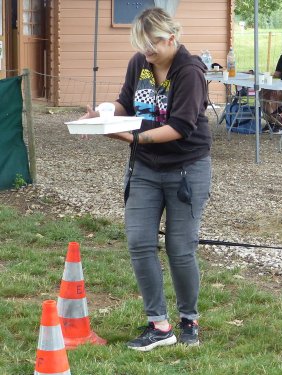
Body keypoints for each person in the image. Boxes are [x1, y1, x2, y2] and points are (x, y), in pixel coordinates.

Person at [81, 7, 211, 350]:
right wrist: (103, 115)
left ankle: (189, 319)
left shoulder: (190, 71)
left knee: (180, 249)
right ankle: (159, 325)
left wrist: (134, 138)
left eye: (153, 42)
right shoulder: (138, 64)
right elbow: (126, 103)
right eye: (141, 43)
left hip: (187, 169)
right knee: (139, 243)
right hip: (145, 169)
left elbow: (182, 127)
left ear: (172, 37)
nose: (147, 50)